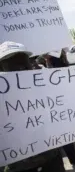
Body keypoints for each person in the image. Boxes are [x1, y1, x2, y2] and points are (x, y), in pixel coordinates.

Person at [0, 41, 65, 172]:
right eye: (11, 62)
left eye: (24, 62)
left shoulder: (44, 85)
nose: (21, 67)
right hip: (17, 164)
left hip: (50, 155)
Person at [43, 49, 75, 166]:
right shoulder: (45, 72)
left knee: (65, 137)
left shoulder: (58, 71)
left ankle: (73, 160)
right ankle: (72, 160)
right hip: (51, 111)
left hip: (61, 110)